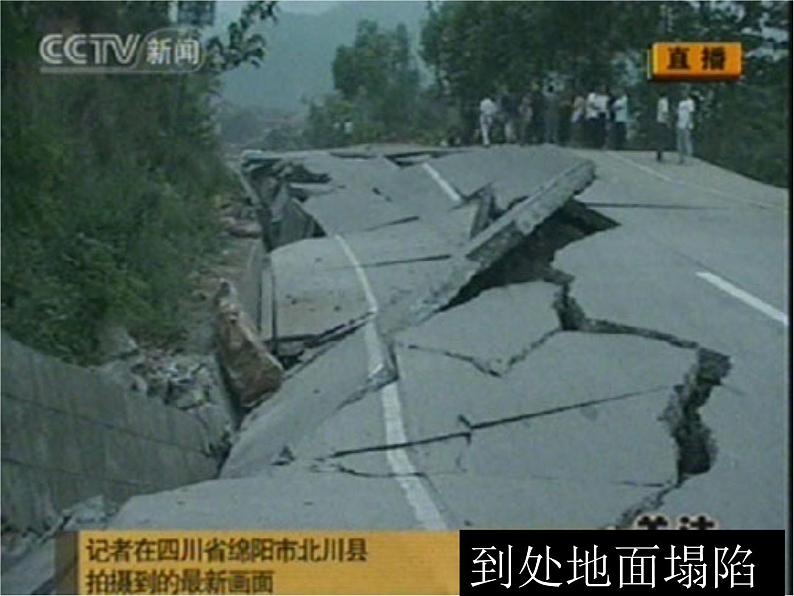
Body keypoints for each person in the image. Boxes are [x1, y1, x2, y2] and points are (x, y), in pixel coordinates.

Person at [676, 91, 696, 164]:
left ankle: (689, 158)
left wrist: (690, 123)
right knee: (680, 142)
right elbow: (678, 114)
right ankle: (681, 158)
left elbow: (691, 113)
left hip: (686, 124)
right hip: (680, 124)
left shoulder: (690, 102)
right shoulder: (680, 103)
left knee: (687, 141)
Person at [656, 91, 671, 161]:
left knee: (659, 139)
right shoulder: (665, 102)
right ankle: (660, 154)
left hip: (658, 120)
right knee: (662, 139)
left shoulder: (659, 101)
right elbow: (665, 112)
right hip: (663, 122)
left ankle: (659, 154)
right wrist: (668, 122)